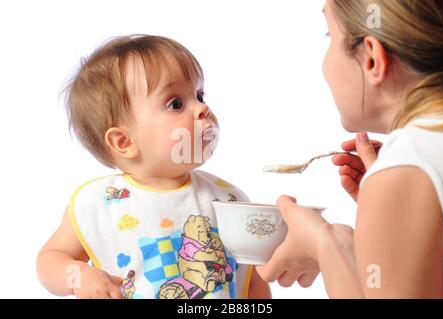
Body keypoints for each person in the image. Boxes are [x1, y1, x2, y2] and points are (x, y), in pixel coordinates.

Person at [36, 34, 270, 299]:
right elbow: (49, 259)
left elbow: (253, 284)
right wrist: (78, 276)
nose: (202, 109)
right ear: (124, 141)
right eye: (176, 103)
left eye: (200, 95)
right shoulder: (98, 203)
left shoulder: (228, 200)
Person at [257, 0, 443, 298]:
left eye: (329, 36)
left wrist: (326, 245)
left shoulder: (406, 168)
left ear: (371, 59)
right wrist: (394, 216)